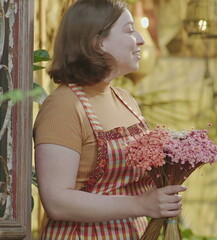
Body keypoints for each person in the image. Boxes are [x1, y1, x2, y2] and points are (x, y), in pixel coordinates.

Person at [33, 0, 186, 239]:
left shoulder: (125, 99)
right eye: (129, 30)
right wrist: (141, 205)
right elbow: (57, 201)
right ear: (97, 42)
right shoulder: (64, 106)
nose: (141, 40)